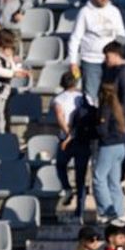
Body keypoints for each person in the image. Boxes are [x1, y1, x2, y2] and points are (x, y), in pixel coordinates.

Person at [68, 0, 125, 101]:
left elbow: (121, 35)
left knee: (110, 96)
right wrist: (72, 61)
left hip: (110, 62)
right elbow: (75, 38)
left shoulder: (114, 11)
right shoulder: (84, 12)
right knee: (90, 97)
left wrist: (119, 55)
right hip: (90, 61)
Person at [0, 29, 31, 158]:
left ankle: (2, 140)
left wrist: (21, 71)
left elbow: (13, 67)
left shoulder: (7, 57)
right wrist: (14, 73)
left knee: (2, 115)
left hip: (4, 92)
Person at [53, 69, 92, 218]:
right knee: (80, 177)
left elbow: (60, 116)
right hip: (83, 139)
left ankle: (67, 188)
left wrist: (69, 134)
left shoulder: (59, 99)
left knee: (60, 165)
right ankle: (79, 211)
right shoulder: (84, 97)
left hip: (67, 139)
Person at [91, 80, 125, 221]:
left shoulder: (105, 108)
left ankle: (107, 210)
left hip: (109, 146)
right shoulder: (117, 108)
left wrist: (92, 127)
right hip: (120, 146)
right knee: (114, 181)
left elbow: (102, 129)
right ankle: (119, 212)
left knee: (98, 178)